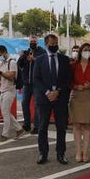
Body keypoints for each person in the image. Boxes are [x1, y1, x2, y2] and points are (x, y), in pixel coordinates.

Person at [33, 33, 73, 165]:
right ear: (46, 44)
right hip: (44, 99)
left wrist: (58, 91)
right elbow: (36, 79)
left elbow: (68, 79)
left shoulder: (64, 59)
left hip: (60, 98)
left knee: (61, 127)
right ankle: (42, 153)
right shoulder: (39, 60)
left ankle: (61, 154)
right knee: (42, 127)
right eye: (52, 44)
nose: (54, 46)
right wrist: (48, 92)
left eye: (56, 44)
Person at [69, 42, 90, 162]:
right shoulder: (73, 65)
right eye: (85, 49)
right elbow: (69, 81)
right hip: (76, 97)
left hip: (89, 97)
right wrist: (76, 87)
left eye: (89, 50)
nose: (87, 52)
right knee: (77, 126)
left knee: (87, 126)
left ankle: (85, 152)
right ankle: (78, 152)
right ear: (80, 51)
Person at [17, 36, 45, 133]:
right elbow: (19, 65)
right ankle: (27, 124)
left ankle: (37, 126)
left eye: (34, 41)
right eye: (31, 41)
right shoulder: (26, 52)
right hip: (26, 83)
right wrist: (22, 57)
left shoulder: (41, 52)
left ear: (37, 42)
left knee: (37, 104)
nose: (32, 43)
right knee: (24, 103)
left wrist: (34, 59)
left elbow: (44, 64)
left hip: (37, 83)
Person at [0, 45, 21, 140]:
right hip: (3, 89)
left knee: (5, 112)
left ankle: (5, 134)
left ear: (4, 52)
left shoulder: (12, 62)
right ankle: (18, 128)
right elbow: (0, 78)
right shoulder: (2, 63)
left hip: (10, 90)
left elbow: (11, 77)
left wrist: (0, 73)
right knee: (5, 112)